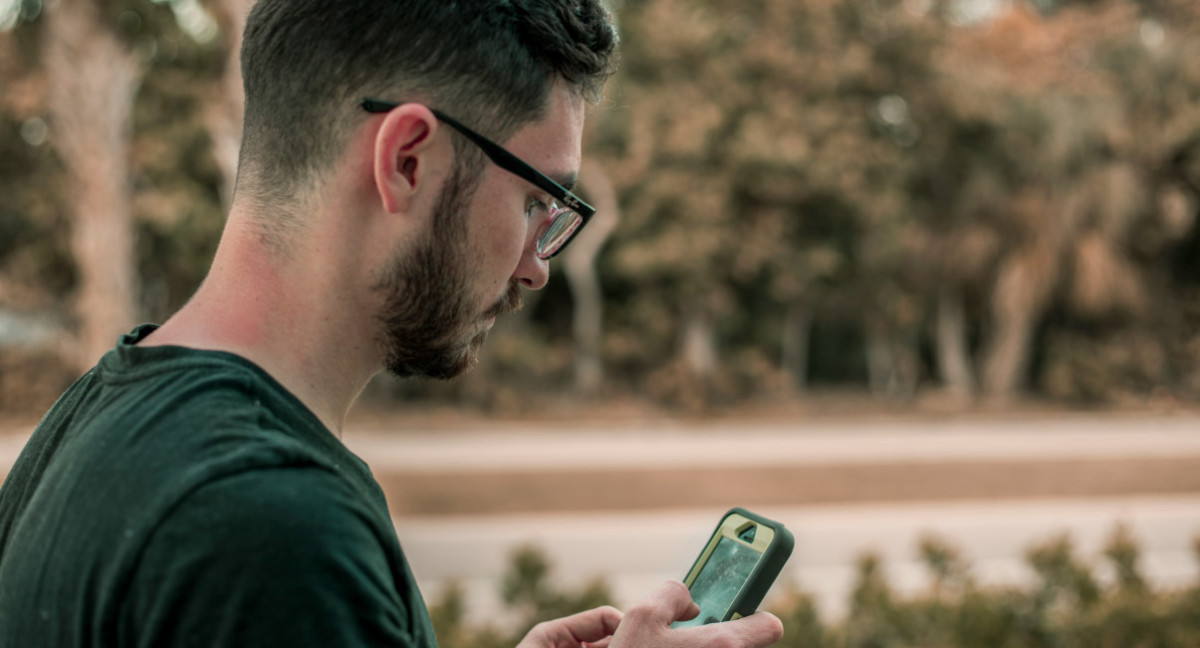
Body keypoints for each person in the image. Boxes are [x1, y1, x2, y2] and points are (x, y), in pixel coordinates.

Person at [0, 1, 785, 647]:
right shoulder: (272, 529)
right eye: (537, 202)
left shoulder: (97, 417)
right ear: (408, 159)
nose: (536, 265)